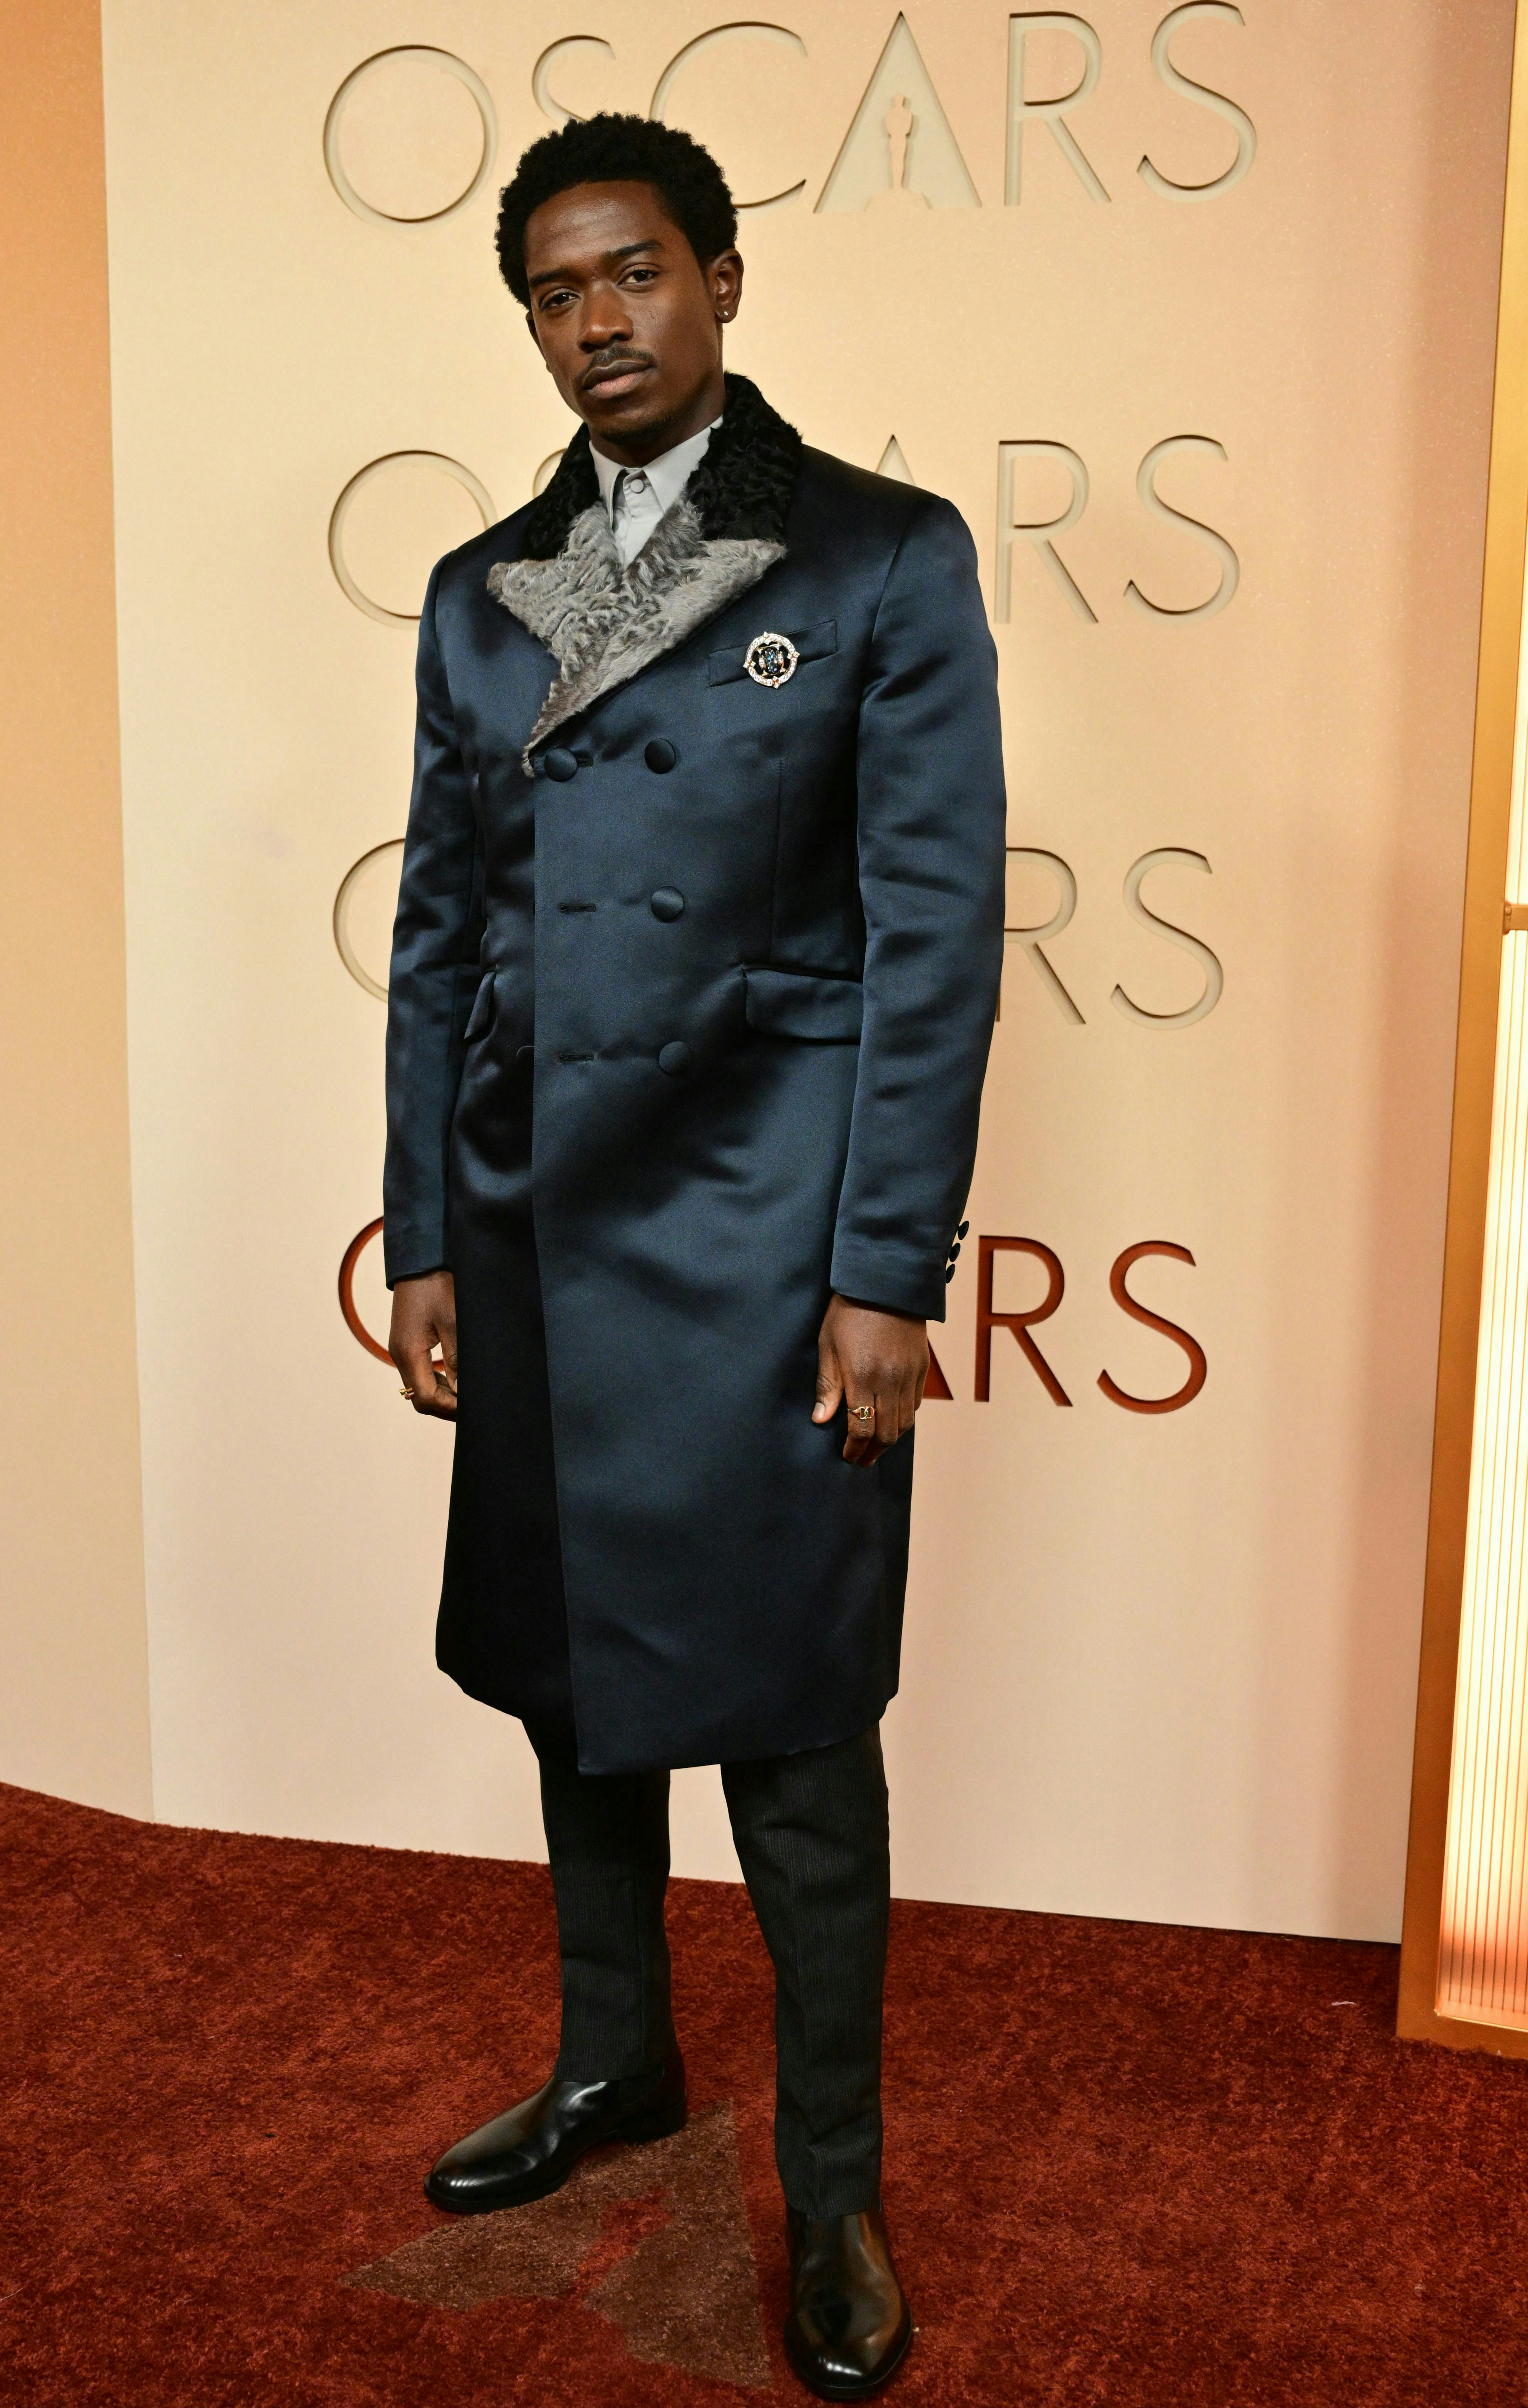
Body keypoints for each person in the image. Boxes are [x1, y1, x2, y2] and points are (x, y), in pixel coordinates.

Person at [384, 111, 1005, 2401]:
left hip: (765, 1249)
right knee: (575, 1696)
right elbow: (441, 939)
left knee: (798, 1746)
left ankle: (833, 2187)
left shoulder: (875, 562)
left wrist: (885, 1273)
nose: (593, 324)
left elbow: (933, 949)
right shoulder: (479, 589)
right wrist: (432, 1226)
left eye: (632, 273)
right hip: (540, 1231)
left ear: (723, 279)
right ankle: (613, 2064)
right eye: (552, 292)